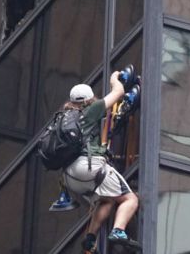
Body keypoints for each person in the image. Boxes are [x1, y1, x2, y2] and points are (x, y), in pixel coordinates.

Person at [61, 73, 140, 253]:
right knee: (130, 199)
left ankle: (90, 238)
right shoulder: (90, 109)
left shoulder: (65, 117)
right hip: (89, 168)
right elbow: (118, 92)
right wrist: (115, 77)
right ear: (89, 99)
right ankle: (118, 231)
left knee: (108, 200)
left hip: (70, 177)